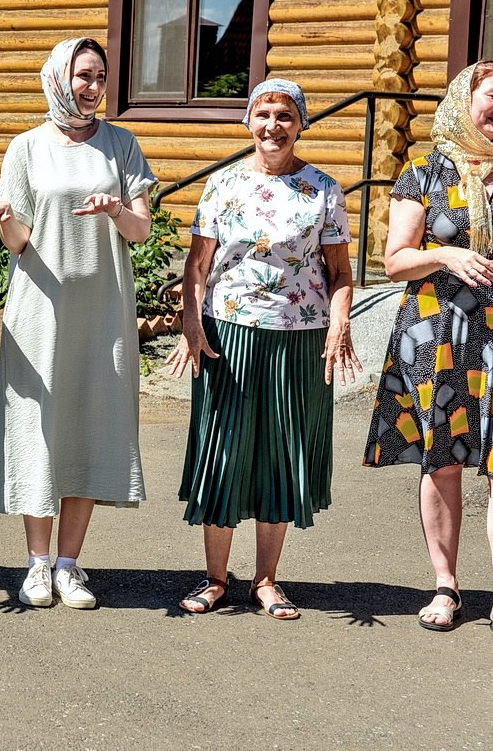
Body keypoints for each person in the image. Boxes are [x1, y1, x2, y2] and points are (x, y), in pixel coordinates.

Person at [364, 60, 493, 650]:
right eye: (492, 96)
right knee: (442, 460)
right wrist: (446, 256)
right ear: (464, 97)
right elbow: (395, 258)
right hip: (437, 329)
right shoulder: (422, 172)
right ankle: (445, 586)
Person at [0, 37, 155, 610]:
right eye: (82, 75)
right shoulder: (26, 147)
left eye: (99, 76)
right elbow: (21, 242)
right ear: (57, 78)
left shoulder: (122, 145)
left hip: (103, 308)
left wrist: (116, 208)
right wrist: (3, 219)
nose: (93, 87)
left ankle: (70, 564)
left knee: (90, 419)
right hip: (40, 308)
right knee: (38, 423)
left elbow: (140, 232)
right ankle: (37, 563)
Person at [167, 78, 360, 620]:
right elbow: (198, 267)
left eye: (285, 115)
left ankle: (267, 580)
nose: (273, 125)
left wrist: (338, 327)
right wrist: (192, 328)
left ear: (300, 124)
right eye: (264, 114)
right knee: (223, 451)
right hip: (228, 334)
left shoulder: (324, 188)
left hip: (300, 337)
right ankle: (214, 579)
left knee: (281, 450)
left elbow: (341, 272)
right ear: (248, 122)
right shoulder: (223, 185)